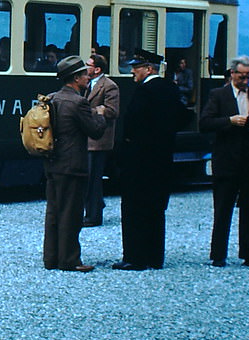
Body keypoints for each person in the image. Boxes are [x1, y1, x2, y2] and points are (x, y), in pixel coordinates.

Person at [112, 49, 187, 271]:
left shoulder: (145, 91)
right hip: (161, 159)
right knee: (155, 208)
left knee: (134, 208)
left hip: (139, 160)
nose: (133, 71)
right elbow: (184, 117)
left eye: (136, 67)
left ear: (149, 69)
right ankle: (155, 257)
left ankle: (135, 257)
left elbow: (133, 124)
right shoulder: (170, 89)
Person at [42, 56, 106, 272]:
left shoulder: (51, 99)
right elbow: (95, 131)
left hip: (53, 162)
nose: (88, 78)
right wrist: (100, 114)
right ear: (76, 78)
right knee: (71, 213)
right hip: (72, 164)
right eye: (85, 75)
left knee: (53, 211)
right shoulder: (79, 103)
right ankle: (69, 260)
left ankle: (51, 258)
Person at [200, 55, 249, 267]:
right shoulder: (218, 95)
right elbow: (205, 122)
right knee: (223, 209)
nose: (245, 81)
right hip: (226, 160)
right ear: (232, 74)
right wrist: (229, 121)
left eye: (248, 77)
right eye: (241, 77)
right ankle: (218, 254)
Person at [84, 53, 119, 227]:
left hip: (99, 140)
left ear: (97, 69)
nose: (85, 67)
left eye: (88, 65)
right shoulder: (87, 84)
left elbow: (112, 111)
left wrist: (91, 112)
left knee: (93, 178)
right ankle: (93, 208)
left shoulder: (109, 86)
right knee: (88, 177)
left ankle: (94, 215)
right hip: (88, 137)